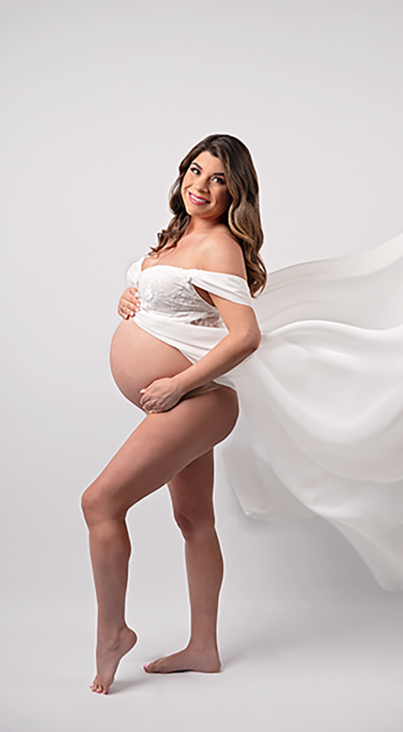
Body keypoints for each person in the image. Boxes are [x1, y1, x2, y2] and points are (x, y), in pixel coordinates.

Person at [81, 135, 265, 694]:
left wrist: (178, 385)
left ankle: (112, 633)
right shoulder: (177, 235)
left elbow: (246, 335)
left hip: (201, 399)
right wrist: (128, 299)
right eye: (194, 170)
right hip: (189, 398)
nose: (200, 185)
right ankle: (204, 649)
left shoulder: (220, 245)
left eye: (217, 179)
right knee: (195, 521)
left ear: (235, 192)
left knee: (100, 502)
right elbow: (168, 299)